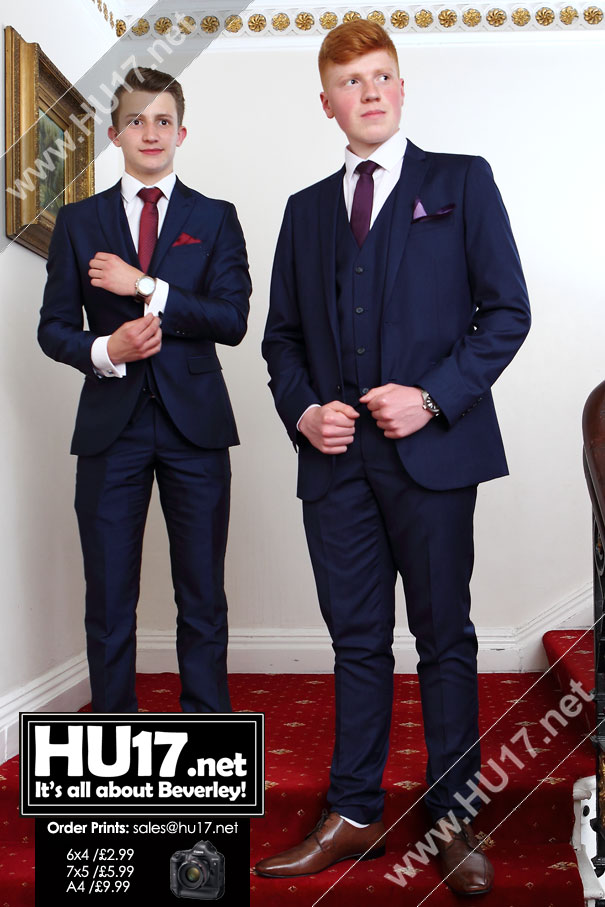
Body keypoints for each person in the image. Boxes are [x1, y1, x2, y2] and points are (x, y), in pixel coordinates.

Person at [258, 20, 530, 895]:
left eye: (381, 76)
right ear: (327, 102)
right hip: (336, 466)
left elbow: (506, 311)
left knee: (444, 636)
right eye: (351, 81)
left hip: (435, 455)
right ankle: (354, 811)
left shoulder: (461, 181)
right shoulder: (303, 211)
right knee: (355, 640)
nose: (369, 91)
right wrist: (304, 411)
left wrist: (433, 396)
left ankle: (453, 816)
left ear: (401, 88)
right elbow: (281, 339)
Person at [38, 67, 251, 714]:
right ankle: (114, 729)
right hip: (112, 427)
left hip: (197, 427)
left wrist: (146, 287)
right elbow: (52, 328)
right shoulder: (77, 221)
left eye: (163, 121)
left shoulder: (215, 218)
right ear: (115, 134)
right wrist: (108, 350)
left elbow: (232, 320)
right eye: (136, 120)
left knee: (202, 592)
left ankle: (206, 725)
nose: (150, 132)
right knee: (107, 594)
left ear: (181, 132)